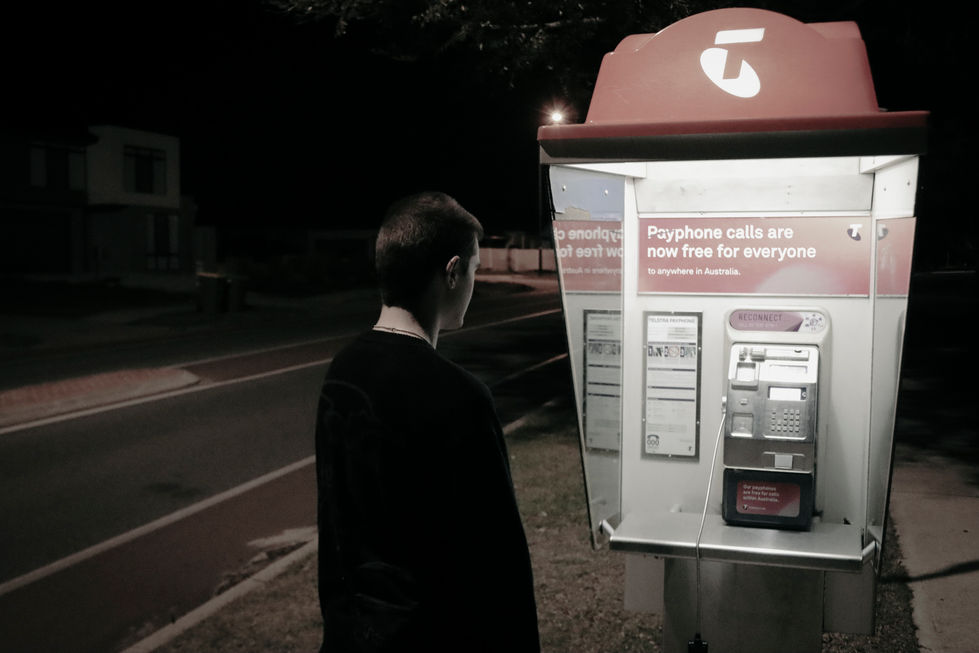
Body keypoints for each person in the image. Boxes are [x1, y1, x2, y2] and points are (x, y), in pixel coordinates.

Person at [314, 191, 540, 652]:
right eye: (475, 271)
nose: (474, 284)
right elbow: (498, 562)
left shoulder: (342, 372)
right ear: (452, 272)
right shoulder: (459, 396)